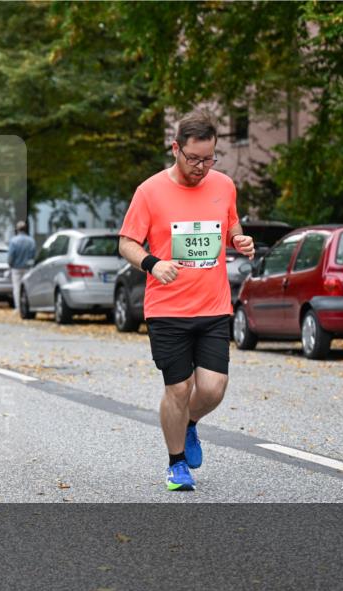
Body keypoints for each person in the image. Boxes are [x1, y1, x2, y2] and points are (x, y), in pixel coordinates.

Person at [118, 110, 255, 491]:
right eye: (193, 158)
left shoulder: (224, 185)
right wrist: (152, 263)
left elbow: (231, 227)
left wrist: (239, 240)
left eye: (208, 159)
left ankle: (189, 424)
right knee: (178, 389)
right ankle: (176, 464)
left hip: (213, 306)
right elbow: (127, 242)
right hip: (167, 309)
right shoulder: (149, 191)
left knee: (212, 389)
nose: (200, 167)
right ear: (176, 149)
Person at [7, 220, 35, 309]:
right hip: (28, 267)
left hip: (16, 268)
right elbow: (33, 254)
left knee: (17, 288)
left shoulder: (13, 241)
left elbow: (11, 255)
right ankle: (27, 306)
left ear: (17, 229)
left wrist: (10, 265)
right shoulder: (31, 241)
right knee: (27, 287)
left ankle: (18, 307)